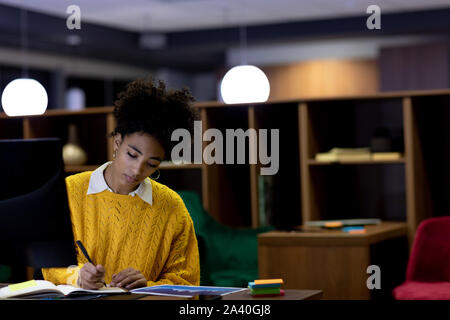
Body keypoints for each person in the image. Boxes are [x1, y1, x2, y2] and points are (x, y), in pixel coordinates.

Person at [42, 79, 200, 290]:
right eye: (132, 155)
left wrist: (148, 286)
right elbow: (47, 264)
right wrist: (78, 276)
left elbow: (186, 283)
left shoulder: (172, 207)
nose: (137, 170)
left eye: (151, 164)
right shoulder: (68, 192)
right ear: (117, 141)